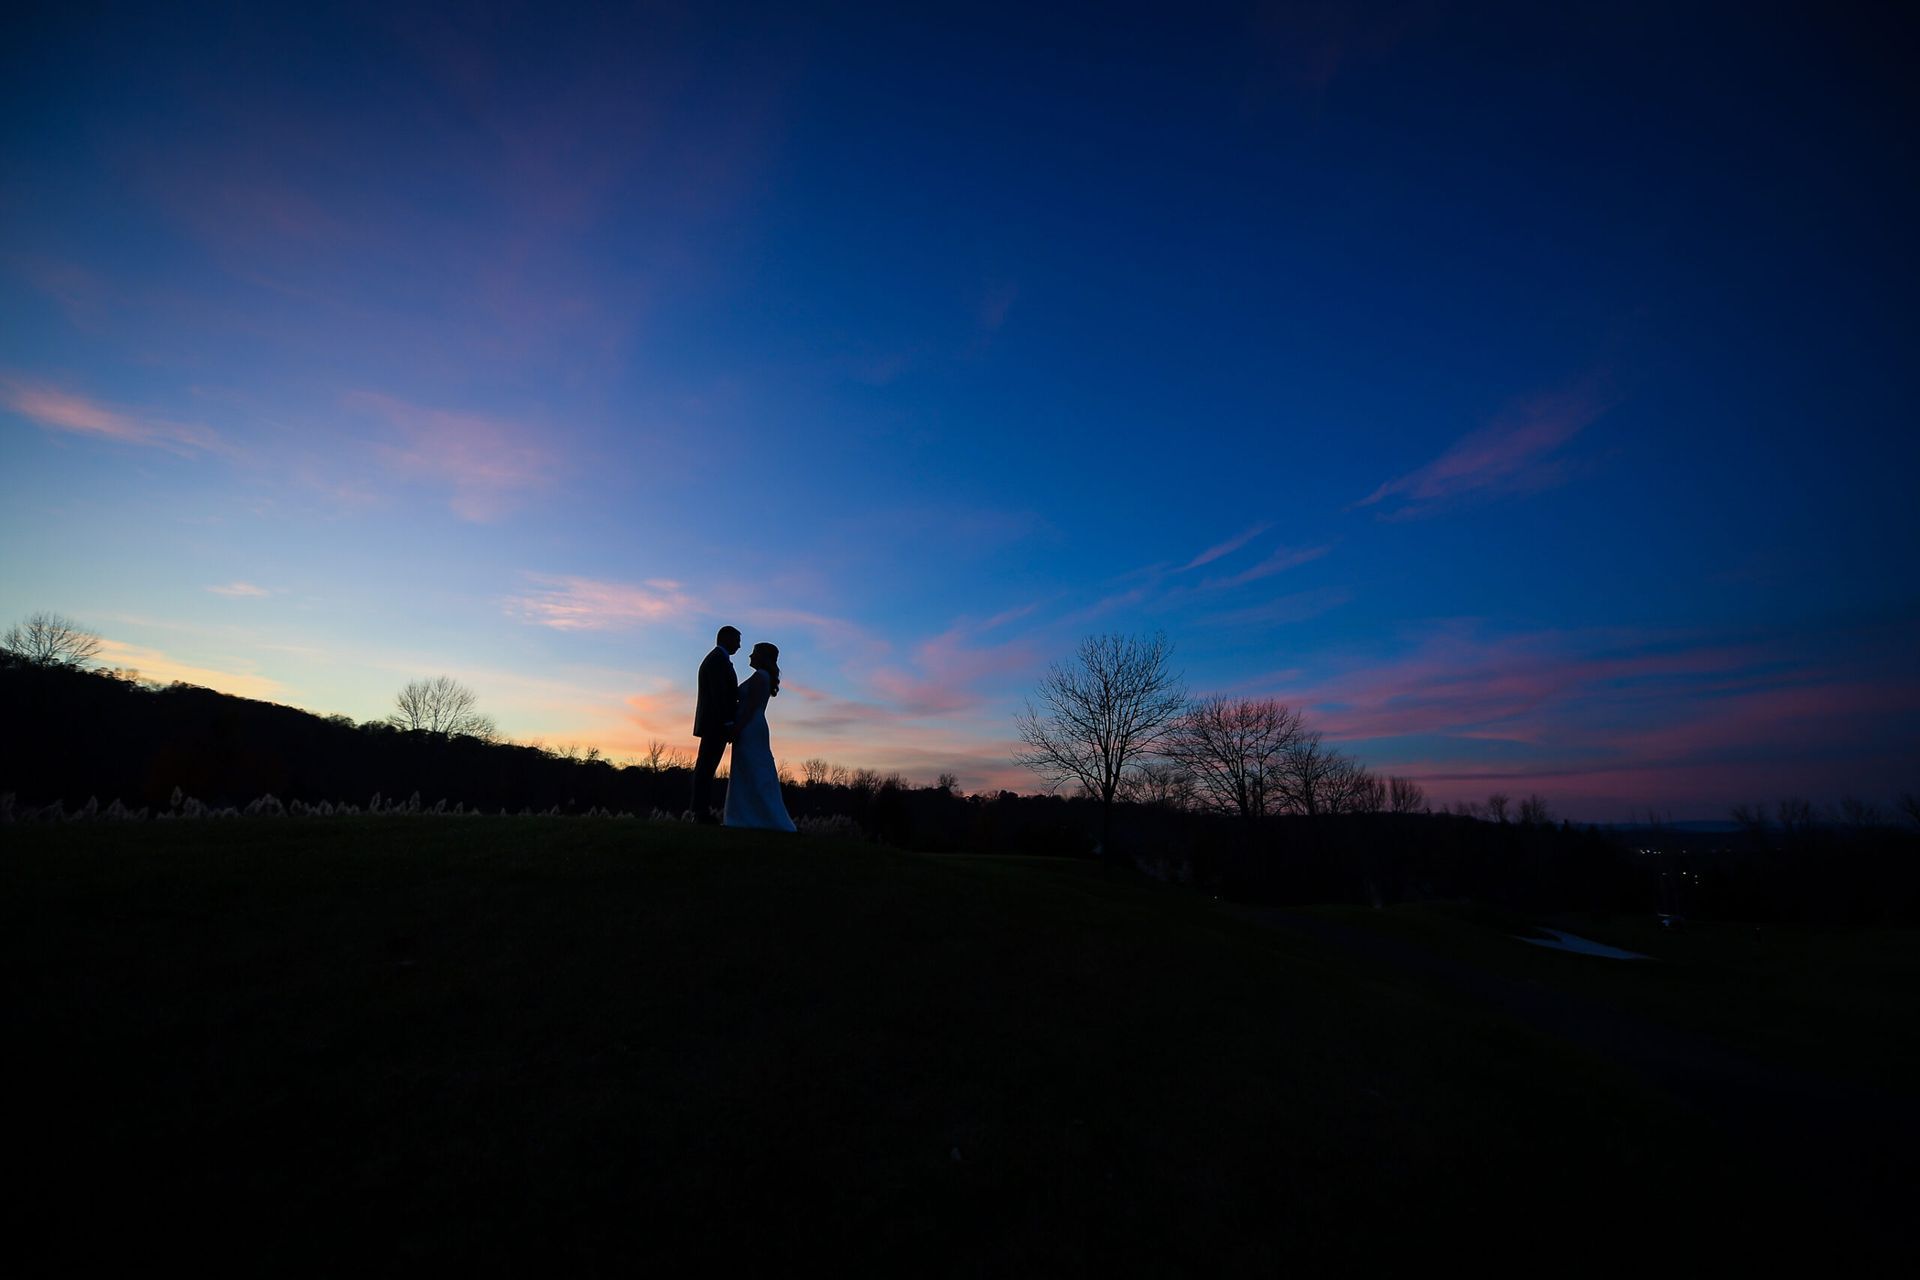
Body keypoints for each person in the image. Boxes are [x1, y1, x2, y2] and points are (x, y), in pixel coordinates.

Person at [723, 642, 797, 832]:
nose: (750, 656)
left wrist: (737, 729)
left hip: (750, 727)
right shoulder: (763, 677)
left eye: (753, 653)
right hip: (754, 726)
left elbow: (750, 708)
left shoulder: (759, 677)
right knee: (751, 769)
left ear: (762, 657)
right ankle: (750, 815)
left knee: (753, 769)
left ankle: (754, 816)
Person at [690, 626, 741, 823]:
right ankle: (700, 813)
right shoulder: (718, 661)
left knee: (706, 767)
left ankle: (700, 811)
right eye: (737, 640)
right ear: (726, 638)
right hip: (715, 724)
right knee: (706, 767)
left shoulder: (718, 660)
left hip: (713, 723)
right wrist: (728, 723)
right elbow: (720, 695)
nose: (739, 645)